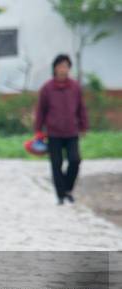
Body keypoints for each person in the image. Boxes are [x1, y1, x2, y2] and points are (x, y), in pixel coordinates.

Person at [34, 53, 89, 205]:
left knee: (75, 160)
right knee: (56, 163)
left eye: (66, 66)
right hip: (53, 133)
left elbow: (81, 108)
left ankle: (68, 189)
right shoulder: (47, 88)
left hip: (72, 131)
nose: (63, 69)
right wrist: (38, 130)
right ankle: (60, 195)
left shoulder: (75, 87)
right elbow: (41, 110)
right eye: (60, 66)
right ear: (55, 69)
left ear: (69, 69)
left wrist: (84, 125)